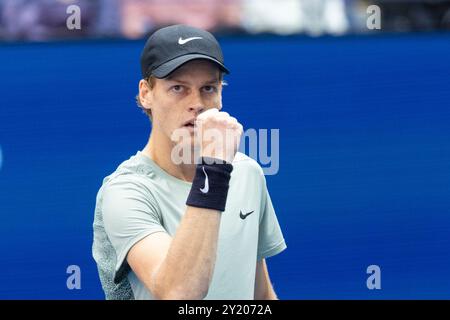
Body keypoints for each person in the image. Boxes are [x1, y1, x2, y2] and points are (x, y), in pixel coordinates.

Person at [92, 24, 287, 300]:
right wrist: (215, 168)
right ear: (146, 93)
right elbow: (179, 293)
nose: (196, 103)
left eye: (208, 87)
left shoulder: (246, 173)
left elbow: (261, 295)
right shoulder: (125, 192)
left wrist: (217, 166)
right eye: (178, 88)